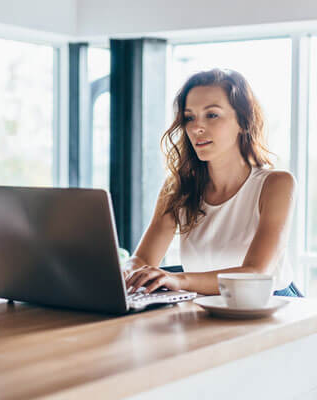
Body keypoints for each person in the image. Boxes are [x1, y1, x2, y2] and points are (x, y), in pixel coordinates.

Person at [124, 68, 302, 297]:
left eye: (212, 115)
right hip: (204, 304)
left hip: (269, 306)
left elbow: (257, 273)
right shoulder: (177, 188)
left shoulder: (276, 184)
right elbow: (142, 259)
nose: (197, 127)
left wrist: (179, 280)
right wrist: (128, 270)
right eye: (189, 117)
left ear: (243, 121)